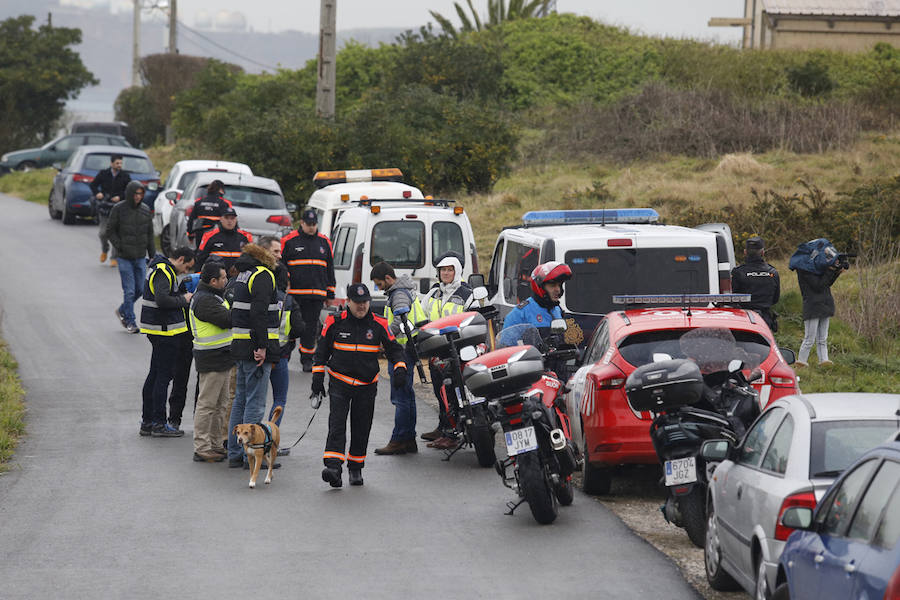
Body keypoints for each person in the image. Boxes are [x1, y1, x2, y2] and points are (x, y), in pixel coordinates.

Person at [313, 283, 407, 487]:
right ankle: (334, 468)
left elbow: (395, 349)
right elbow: (320, 353)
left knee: (361, 427)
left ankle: (355, 467)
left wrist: (400, 368)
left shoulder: (379, 324)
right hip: (340, 382)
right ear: (348, 302)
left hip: (366, 385)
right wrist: (317, 381)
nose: (361, 306)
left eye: (365, 302)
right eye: (357, 303)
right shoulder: (334, 321)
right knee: (336, 426)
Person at [226, 243, 282, 469]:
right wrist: (262, 346)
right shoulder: (263, 275)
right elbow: (259, 313)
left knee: (240, 400)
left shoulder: (243, 275)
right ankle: (250, 453)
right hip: (254, 348)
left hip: (240, 345)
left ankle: (234, 453)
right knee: (255, 404)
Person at [371, 261, 428, 455]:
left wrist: (383, 339)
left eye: (379, 284)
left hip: (401, 351)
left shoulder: (399, 295)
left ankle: (398, 440)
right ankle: (408, 439)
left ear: (388, 278)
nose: (379, 288)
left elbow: (399, 321)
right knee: (407, 397)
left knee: (400, 397)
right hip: (407, 349)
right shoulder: (403, 291)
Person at [138, 246, 196, 437]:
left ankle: (148, 421)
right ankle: (159, 423)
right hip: (164, 331)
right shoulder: (164, 271)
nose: (186, 272)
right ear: (180, 259)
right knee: (163, 377)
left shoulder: (160, 268)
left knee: (155, 375)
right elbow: (163, 300)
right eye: (187, 267)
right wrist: (184, 299)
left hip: (158, 329)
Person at [419, 252, 473, 448]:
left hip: (458, 352)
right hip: (436, 351)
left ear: (457, 271)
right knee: (439, 391)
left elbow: (475, 319)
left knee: (454, 391)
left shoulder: (468, 294)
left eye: (450, 269)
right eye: (443, 270)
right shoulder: (434, 293)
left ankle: (452, 433)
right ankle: (443, 427)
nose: (446, 273)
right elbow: (421, 314)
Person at [259, 235, 305, 457]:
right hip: (281, 357)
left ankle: (249, 440)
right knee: (279, 400)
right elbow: (299, 329)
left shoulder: (258, 292)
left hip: (257, 354)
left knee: (254, 400)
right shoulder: (287, 300)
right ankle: (270, 441)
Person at [281, 207, 336, 372]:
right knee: (291, 325)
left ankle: (307, 359)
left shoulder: (324, 242)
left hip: (317, 294)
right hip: (295, 294)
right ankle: (285, 354)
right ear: (302, 223)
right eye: (308, 224)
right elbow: (281, 267)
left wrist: (330, 292)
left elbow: (330, 269)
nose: (312, 227)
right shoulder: (289, 241)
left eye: (314, 224)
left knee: (311, 329)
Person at [188, 261, 233, 462]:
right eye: (223, 277)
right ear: (213, 281)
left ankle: (215, 444)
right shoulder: (204, 300)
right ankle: (202, 447)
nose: (226, 280)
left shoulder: (214, 296)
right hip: (212, 358)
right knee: (207, 404)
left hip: (222, 357)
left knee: (221, 404)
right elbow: (227, 320)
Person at [107, 181, 155, 333]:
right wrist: (119, 246)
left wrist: (152, 255)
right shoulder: (118, 209)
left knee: (140, 289)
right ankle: (130, 321)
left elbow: (150, 234)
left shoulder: (146, 210)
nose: (138, 197)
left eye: (140, 194)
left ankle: (122, 310)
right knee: (129, 291)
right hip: (124, 257)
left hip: (140, 256)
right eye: (135, 194)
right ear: (129, 194)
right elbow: (110, 230)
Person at [796, 261, 843, 368]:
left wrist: (836, 272)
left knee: (822, 338)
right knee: (809, 338)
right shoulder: (804, 270)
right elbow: (818, 285)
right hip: (812, 307)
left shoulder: (818, 267)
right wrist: (830, 270)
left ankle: (824, 361)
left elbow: (827, 283)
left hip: (824, 305)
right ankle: (801, 362)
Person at [502, 261, 572, 330]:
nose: (558, 290)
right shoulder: (520, 313)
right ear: (540, 287)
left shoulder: (557, 309)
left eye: (559, 285)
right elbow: (506, 340)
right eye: (552, 285)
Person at [731, 236, 780, 333]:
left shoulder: (738, 272)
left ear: (745, 252)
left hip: (744, 319)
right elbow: (775, 299)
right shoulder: (773, 272)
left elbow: (732, 298)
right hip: (765, 320)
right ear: (762, 252)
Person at [90, 154, 131, 266]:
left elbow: (129, 190)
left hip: (119, 209)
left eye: (121, 163)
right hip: (105, 207)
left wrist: (120, 197)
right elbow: (93, 185)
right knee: (103, 233)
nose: (119, 165)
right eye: (117, 163)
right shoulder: (103, 174)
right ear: (111, 163)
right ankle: (105, 249)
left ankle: (114, 257)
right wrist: (98, 193)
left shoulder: (125, 176)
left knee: (116, 234)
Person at [195, 207, 252, 273]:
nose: (229, 221)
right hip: (216, 277)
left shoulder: (245, 237)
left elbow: (251, 259)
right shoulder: (209, 236)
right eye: (226, 218)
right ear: (221, 219)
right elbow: (200, 259)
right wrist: (198, 277)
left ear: (236, 220)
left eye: (232, 218)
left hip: (237, 277)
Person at [187, 180, 231, 249]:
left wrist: (190, 234)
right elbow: (230, 220)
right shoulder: (224, 203)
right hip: (217, 234)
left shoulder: (199, 202)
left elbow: (191, 220)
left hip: (200, 233)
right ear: (221, 190)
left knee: (200, 253)